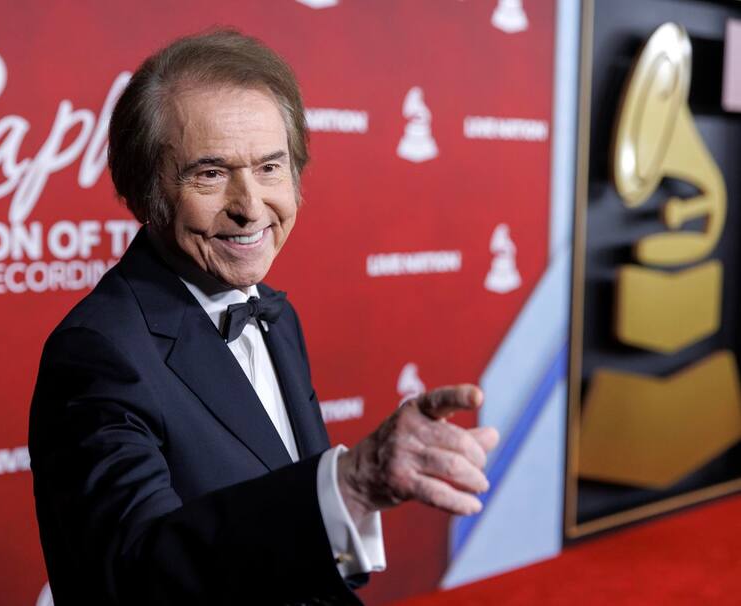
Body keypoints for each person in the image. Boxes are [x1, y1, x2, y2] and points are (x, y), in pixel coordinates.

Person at [29, 29, 499, 605]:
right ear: (143, 191)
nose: (250, 207)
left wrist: (338, 507)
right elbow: (137, 577)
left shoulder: (275, 314)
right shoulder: (98, 352)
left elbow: (287, 537)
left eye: (270, 168)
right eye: (209, 173)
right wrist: (348, 487)